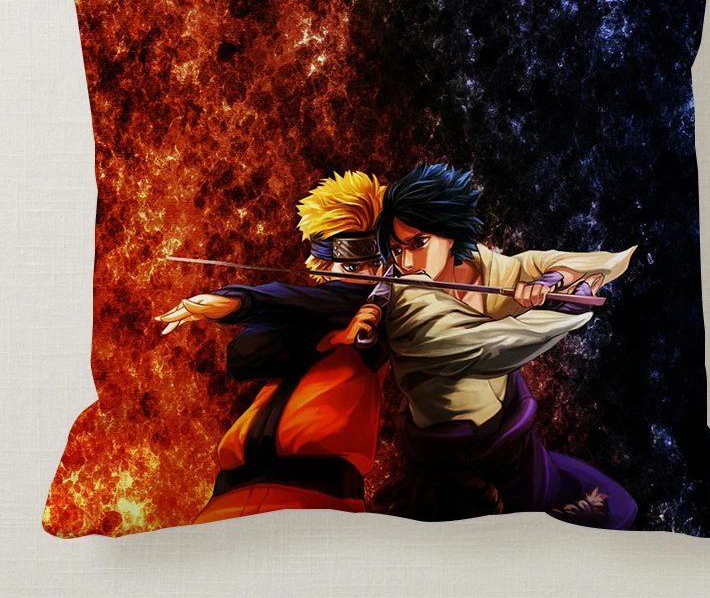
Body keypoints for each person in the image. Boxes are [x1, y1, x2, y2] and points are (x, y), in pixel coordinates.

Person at [370, 162, 638, 528]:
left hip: (514, 448)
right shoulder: (408, 305)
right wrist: (567, 308)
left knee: (617, 507)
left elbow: (563, 264)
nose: (406, 261)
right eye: (397, 249)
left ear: (450, 234)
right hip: (452, 465)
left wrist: (553, 278)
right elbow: (494, 346)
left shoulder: (479, 264)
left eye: (419, 242)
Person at [155, 171, 389, 523]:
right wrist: (321, 338)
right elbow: (242, 357)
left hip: (318, 499)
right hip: (229, 497)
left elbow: (338, 298)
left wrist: (238, 302)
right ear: (324, 268)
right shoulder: (310, 315)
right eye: (354, 265)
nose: (369, 277)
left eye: (378, 264)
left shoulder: (383, 312)